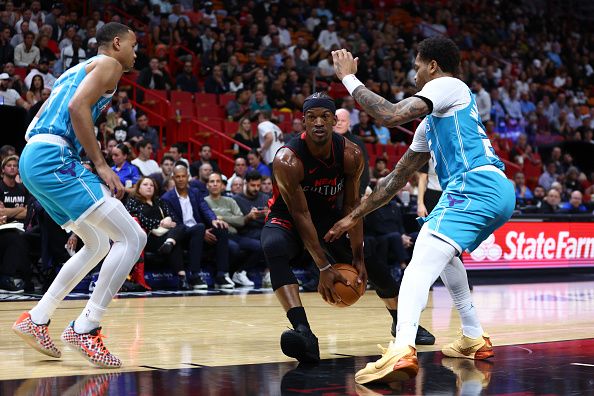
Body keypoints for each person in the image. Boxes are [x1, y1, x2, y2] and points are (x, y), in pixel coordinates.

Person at [327, 37, 515, 384]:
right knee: (446, 257)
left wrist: (348, 79)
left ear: (432, 65)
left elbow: (389, 113)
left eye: (416, 66)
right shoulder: (431, 124)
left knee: (418, 265)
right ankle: (474, 338)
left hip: (473, 186)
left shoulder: (448, 84)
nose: (414, 73)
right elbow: (395, 181)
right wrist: (352, 217)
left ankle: (401, 349)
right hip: (495, 190)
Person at [260, 93, 434, 364]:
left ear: (334, 121)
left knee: (374, 265)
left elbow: (353, 207)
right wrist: (323, 267)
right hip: (289, 218)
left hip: (329, 218)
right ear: (303, 122)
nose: (318, 122)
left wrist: (358, 256)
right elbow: (301, 213)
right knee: (273, 246)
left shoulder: (350, 153)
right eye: (311, 117)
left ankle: (402, 323)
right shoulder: (287, 159)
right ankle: (303, 332)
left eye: (325, 117)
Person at [12, 23, 147, 369]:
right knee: (133, 236)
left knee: (98, 243)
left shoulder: (76, 68)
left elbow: (59, 110)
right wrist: (101, 165)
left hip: (34, 158)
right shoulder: (109, 65)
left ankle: (37, 317)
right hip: (54, 157)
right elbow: (76, 108)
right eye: (133, 45)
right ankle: (86, 327)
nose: (136, 53)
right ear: (116, 43)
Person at [161, 165, 234, 288]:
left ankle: (221, 275)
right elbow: (176, 223)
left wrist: (213, 220)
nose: (180, 179)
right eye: (177, 177)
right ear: (173, 178)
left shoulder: (196, 193)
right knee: (199, 228)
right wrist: (201, 232)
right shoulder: (167, 198)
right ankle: (194, 276)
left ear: (188, 177)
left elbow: (205, 208)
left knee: (221, 227)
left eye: (183, 176)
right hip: (183, 234)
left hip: (199, 231)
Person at [125, 177, 198, 290]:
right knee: (175, 242)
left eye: (151, 185)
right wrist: (160, 223)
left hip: (165, 235)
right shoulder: (133, 202)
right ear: (138, 188)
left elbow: (173, 219)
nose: (149, 187)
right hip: (148, 237)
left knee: (180, 228)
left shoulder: (159, 201)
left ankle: (169, 243)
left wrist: (168, 222)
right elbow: (138, 219)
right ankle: (182, 277)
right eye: (145, 184)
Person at [205, 172, 263, 287]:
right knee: (233, 248)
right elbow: (209, 221)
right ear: (207, 185)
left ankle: (240, 272)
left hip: (235, 234)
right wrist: (231, 219)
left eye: (218, 181)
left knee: (260, 246)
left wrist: (221, 217)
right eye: (212, 182)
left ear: (222, 185)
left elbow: (241, 220)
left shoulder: (230, 200)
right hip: (218, 236)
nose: (215, 184)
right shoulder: (204, 201)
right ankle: (222, 275)